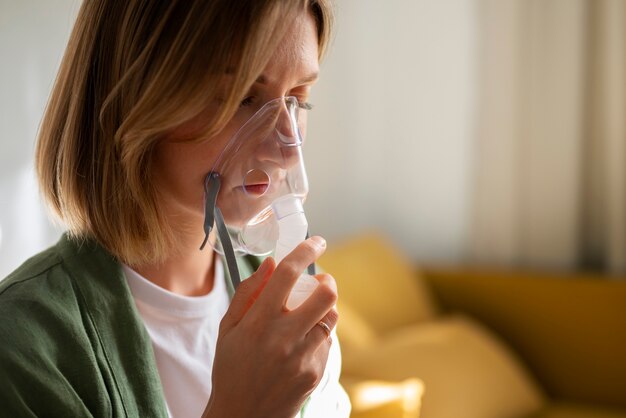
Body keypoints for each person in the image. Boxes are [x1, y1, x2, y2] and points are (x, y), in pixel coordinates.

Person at [0, 1, 350, 417]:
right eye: (242, 97)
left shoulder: (283, 311)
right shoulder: (23, 347)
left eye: (298, 98)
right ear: (134, 96)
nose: (285, 145)